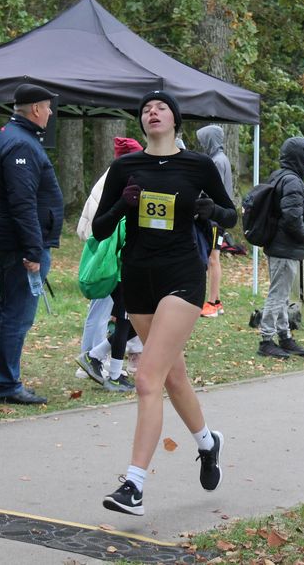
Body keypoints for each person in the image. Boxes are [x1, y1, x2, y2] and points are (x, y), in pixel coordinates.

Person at [93, 90, 236, 516]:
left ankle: (133, 486)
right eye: (146, 109)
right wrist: (123, 205)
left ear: (175, 119)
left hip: (182, 277)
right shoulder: (125, 168)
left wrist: (209, 209)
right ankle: (208, 443)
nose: (152, 113)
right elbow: (99, 229)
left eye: (160, 108)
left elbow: (231, 216)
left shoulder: (198, 165)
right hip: (138, 277)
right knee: (173, 377)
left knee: (146, 378)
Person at [0, 84, 64, 405]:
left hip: (14, 240)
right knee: (17, 315)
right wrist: (33, 250)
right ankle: (6, 384)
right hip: (22, 245)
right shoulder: (21, 143)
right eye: (47, 107)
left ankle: (1, 380)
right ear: (35, 109)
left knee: (9, 311)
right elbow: (22, 202)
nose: (49, 113)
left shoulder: (14, 135)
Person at [75, 136, 144, 389]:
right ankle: (103, 366)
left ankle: (95, 356)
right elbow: (103, 223)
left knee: (130, 318)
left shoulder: (123, 179)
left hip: (117, 260)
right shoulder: (119, 182)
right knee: (115, 315)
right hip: (112, 262)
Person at [256, 136, 304, 359]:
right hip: (285, 246)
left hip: (277, 244)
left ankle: (285, 336)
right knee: (278, 294)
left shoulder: (279, 176)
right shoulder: (292, 181)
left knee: (281, 293)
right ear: (299, 158)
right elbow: (292, 216)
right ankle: (266, 340)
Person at [196, 125, 233, 318]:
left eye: (203, 140)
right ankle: (216, 301)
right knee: (214, 258)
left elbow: (212, 190)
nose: (202, 144)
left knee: (213, 259)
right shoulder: (220, 159)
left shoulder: (217, 161)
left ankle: (211, 303)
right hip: (217, 218)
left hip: (214, 219)